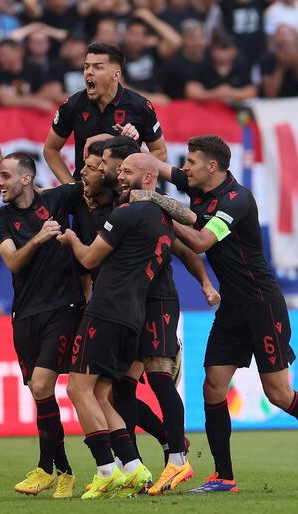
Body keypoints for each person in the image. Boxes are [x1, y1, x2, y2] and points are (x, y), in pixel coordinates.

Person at [138, 135, 298, 492]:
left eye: (190, 162)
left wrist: (156, 203)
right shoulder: (194, 183)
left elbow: (202, 242)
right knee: (212, 387)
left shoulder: (237, 200)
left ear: (212, 166)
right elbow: (154, 165)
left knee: (279, 394)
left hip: (262, 306)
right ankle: (224, 476)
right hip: (232, 308)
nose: (184, 167)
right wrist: (129, 143)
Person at [56, 152, 174, 499]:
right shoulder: (164, 218)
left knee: (78, 388)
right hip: (133, 315)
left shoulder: (128, 213)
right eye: (119, 170)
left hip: (106, 311)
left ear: (149, 178)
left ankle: (106, 471)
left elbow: (90, 257)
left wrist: (71, 238)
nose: (120, 176)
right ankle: (133, 468)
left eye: (127, 171)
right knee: (103, 393)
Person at [0, 150, 84, 499]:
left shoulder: (57, 200)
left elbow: (90, 183)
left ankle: (45, 468)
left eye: (6, 176)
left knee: (43, 384)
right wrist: (40, 237)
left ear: (27, 179)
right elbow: (12, 261)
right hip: (24, 314)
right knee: (39, 393)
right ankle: (65, 473)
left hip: (63, 306)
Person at [43, 42, 167, 183]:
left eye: (98, 67)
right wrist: (71, 186)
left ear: (116, 75)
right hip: (86, 194)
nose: (89, 71)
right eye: (86, 66)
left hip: (123, 193)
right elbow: (51, 149)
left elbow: (160, 153)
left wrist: (134, 160)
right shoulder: (73, 104)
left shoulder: (139, 106)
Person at [185, 29, 256, 103]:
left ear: (234, 50)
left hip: (235, 109)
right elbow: (191, 92)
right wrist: (215, 93)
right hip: (207, 109)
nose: (220, 52)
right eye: (216, 47)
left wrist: (231, 92)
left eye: (224, 47)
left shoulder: (241, 68)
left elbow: (252, 91)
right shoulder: (201, 67)